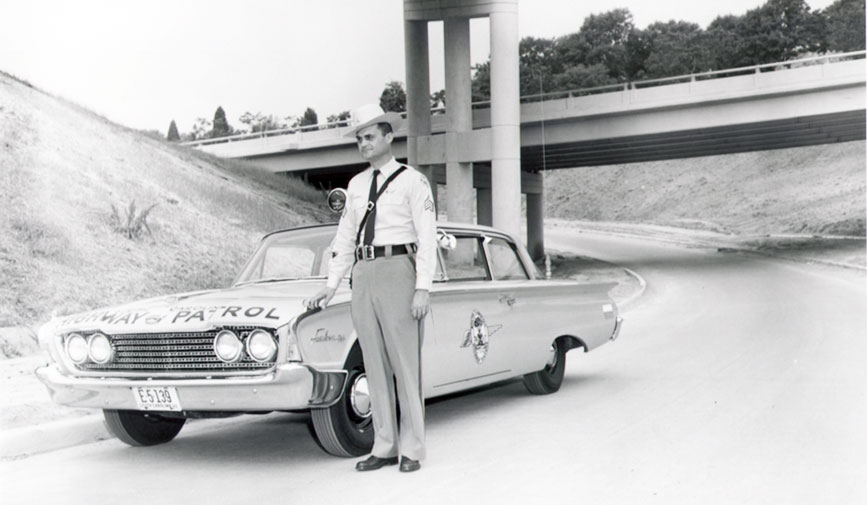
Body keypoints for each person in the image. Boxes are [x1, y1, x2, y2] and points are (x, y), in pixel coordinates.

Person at [306, 103, 436, 473]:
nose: (363, 143)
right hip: (363, 273)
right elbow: (344, 237)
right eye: (359, 139)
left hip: (399, 269)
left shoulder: (413, 181)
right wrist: (330, 286)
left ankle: (411, 447)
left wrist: (422, 288)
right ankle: (383, 444)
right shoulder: (356, 185)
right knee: (374, 363)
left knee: (405, 364)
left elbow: (426, 238)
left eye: (369, 136)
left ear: (388, 136)